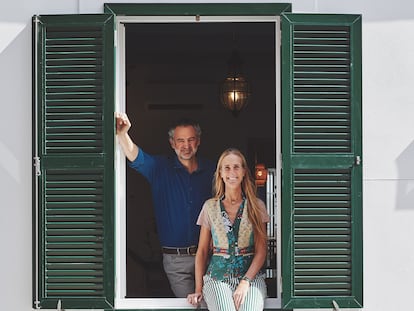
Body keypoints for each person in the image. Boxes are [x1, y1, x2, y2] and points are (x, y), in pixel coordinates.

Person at [115, 112, 215, 297]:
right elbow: (136, 156)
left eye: (191, 140)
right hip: (175, 260)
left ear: (198, 141)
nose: (186, 146)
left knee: (215, 304)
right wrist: (122, 134)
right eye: (180, 140)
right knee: (189, 307)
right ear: (172, 143)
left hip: (210, 258)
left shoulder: (212, 171)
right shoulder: (160, 169)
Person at [187, 148, 269, 311]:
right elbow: (202, 251)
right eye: (227, 167)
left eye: (236, 167)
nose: (232, 172)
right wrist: (197, 289)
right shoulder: (210, 207)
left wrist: (245, 282)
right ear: (220, 173)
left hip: (250, 278)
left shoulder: (256, 206)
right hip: (217, 278)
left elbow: (261, 251)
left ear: (244, 171)